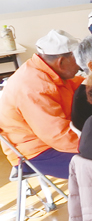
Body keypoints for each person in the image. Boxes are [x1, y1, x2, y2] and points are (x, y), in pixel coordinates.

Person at [0, 30, 83, 179]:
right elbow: (59, 137)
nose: (80, 66)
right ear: (61, 62)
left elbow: (78, 85)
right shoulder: (34, 87)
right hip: (35, 152)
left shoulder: (46, 69)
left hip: (51, 141)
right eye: (77, 60)